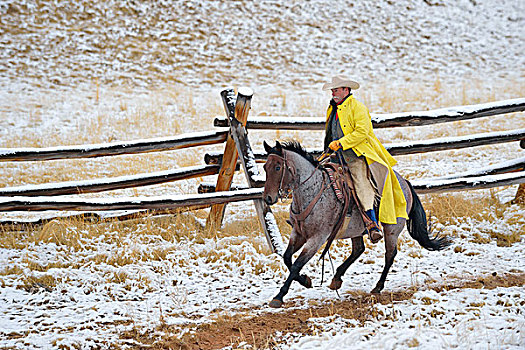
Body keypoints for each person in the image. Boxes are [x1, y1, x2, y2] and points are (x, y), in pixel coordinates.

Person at [322, 75, 408, 243]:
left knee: (361, 184)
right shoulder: (333, 108)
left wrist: (341, 143)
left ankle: (372, 222)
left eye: (336, 89)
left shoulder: (358, 107)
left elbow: (362, 132)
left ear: (346, 90)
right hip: (336, 155)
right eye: (332, 90)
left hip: (356, 155)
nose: (333, 93)